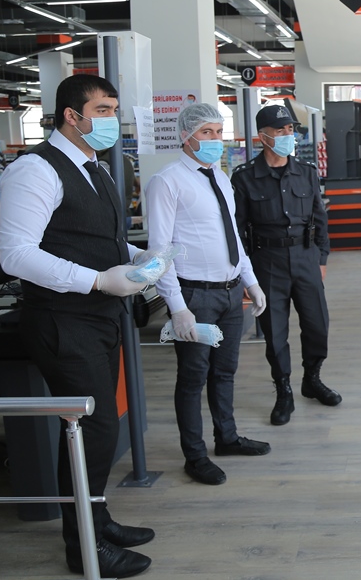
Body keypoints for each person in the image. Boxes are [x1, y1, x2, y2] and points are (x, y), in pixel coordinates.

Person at [0, 74, 153, 578]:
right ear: (72, 114)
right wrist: (98, 280)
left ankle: (97, 520)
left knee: (96, 430)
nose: (112, 120)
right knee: (94, 428)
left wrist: (139, 256)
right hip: (62, 319)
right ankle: (83, 546)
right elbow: (16, 254)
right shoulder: (35, 170)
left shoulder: (97, 168)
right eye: (103, 110)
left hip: (101, 316)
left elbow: (96, 238)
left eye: (113, 110)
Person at [145, 103, 271, 486]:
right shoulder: (167, 182)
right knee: (192, 377)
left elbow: (232, 235)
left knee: (225, 372)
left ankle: (227, 437)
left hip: (230, 293)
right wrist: (177, 306)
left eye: (219, 132)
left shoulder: (220, 176)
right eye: (206, 133)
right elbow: (160, 251)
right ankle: (195, 456)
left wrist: (250, 280)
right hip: (195, 297)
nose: (216, 139)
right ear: (186, 136)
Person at [232, 104, 340, 427]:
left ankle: (312, 379)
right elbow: (238, 229)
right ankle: (284, 390)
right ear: (262, 137)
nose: (287, 135)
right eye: (280, 131)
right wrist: (246, 275)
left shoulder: (306, 172)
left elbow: (320, 218)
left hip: (306, 257)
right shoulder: (244, 178)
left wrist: (322, 258)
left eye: (290, 130)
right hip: (267, 262)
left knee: (317, 324)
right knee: (275, 332)